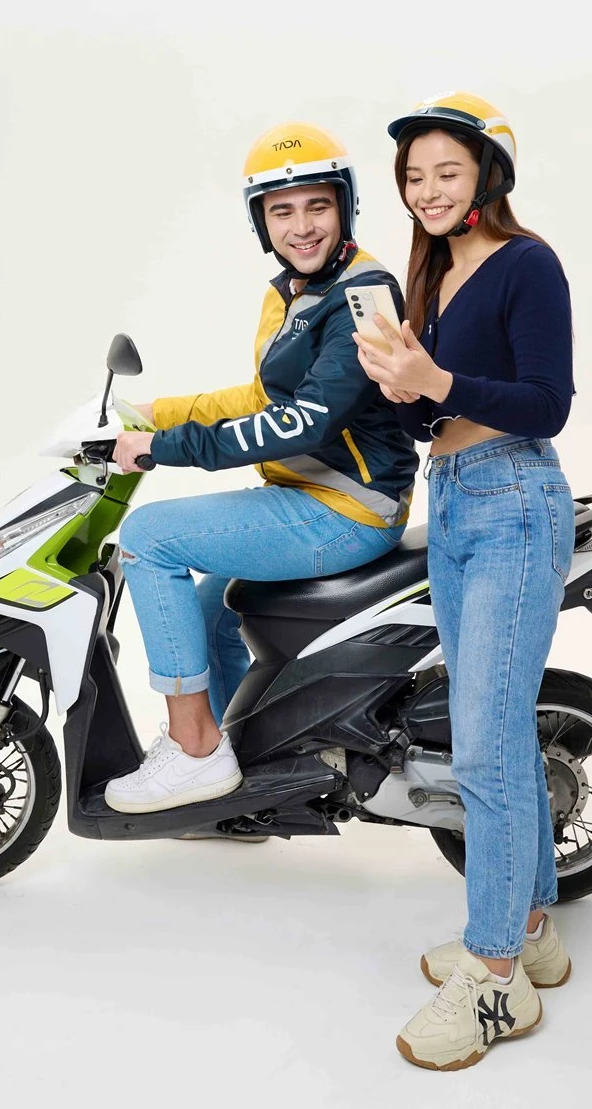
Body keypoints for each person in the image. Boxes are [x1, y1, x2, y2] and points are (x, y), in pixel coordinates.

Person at [352, 92, 575, 1071]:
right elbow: (430, 421)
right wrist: (400, 386)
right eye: (414, 176)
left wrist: (437, 382)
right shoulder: (432, 275)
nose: (428, 190)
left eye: (447, 171)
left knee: (482, 747)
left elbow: (547, 403)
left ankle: (494, 981)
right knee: (501, 731)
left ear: (489, 174)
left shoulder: (527, 263)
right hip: (452, 502)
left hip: (516, 499)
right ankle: (531, 930)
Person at [104, 123, 419, 814]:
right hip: (308, 495)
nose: (301, 227)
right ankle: (229, 781)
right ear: (261, 222)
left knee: (148, 538)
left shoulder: (364, 295)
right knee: (209, 608)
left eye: (317, 206)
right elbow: (264, 398)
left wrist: (166, 448)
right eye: (282, 211)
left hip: (346, 508)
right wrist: (154, 413)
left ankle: (193, 750)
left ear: (345, 207)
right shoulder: (293, 291)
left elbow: (306, 421)